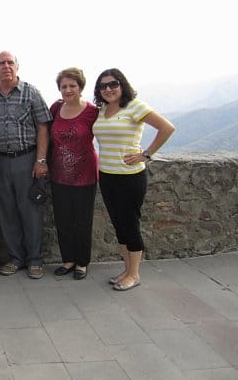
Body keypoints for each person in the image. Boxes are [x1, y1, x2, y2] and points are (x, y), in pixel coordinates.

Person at [93, 68, 175, 291]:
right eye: (103, 86)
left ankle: (135, 274)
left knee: (130, 224)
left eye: (113, 84)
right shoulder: (101, 110)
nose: (108, 89)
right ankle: (126, 270)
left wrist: (146, 154)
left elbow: (167, 128)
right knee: (119, 225)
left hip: (130, 177)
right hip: (107, 176)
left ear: (122, 85)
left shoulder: (135, 106)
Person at [0, 51, 52, 279]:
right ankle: (15, 258)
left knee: (30, 211)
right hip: (0, 161)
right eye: (1, 63)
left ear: (17, 66)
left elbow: (43, 127)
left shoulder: (31, 92)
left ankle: (35, 260)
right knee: (6, 212)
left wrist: (41, 160)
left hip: (27, 159)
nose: (6, 66)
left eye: (10, 62)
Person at [48, 68, 99, 280]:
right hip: (58, 174)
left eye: (72, 86)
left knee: (82, 220)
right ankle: (67, 260)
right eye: (63, 86)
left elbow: (109, 131)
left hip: (84, 174)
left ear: (80, 87)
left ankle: (82, 263)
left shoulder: (92, 111)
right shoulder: (55, 108)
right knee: (63, 219)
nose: (68, 90)